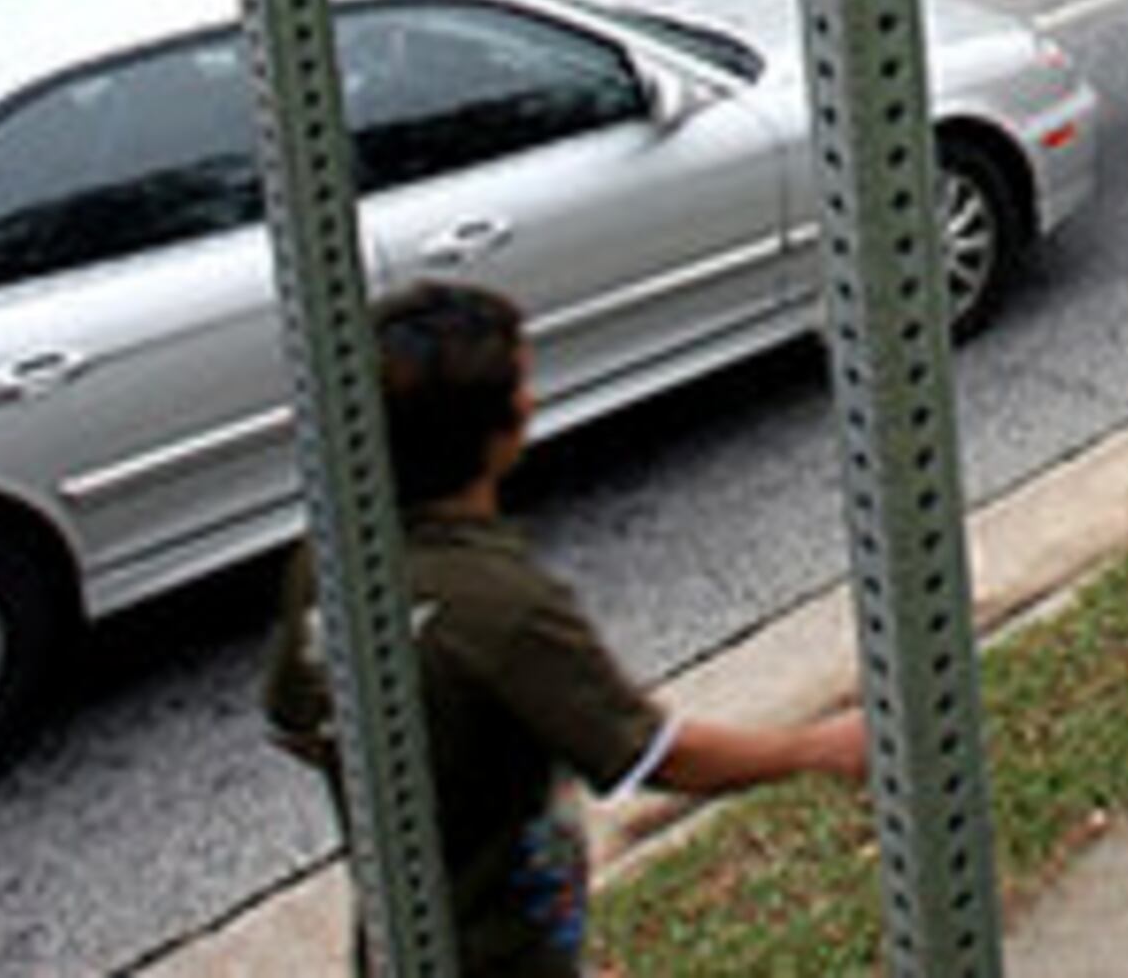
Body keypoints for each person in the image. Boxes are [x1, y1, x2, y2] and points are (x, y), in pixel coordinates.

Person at [262, 282, 866, 976]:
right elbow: (656, 753)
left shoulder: (325, 566)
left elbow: (295, 722)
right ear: (495, 431)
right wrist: (816, 746)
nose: (534, 397)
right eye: (524, 382)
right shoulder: (507, 609)